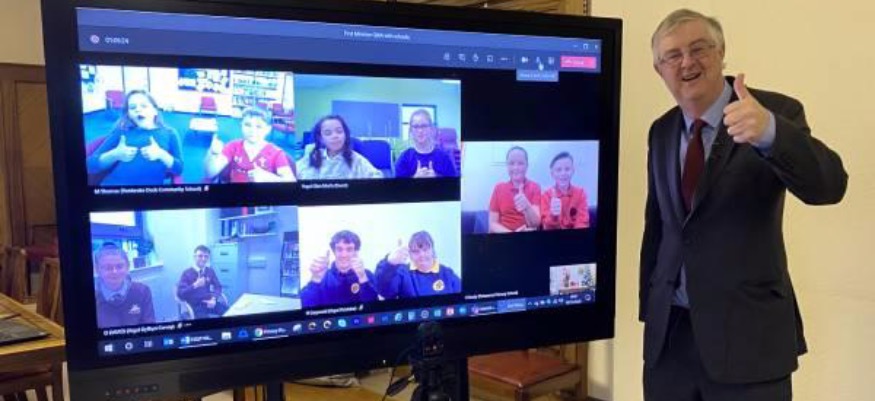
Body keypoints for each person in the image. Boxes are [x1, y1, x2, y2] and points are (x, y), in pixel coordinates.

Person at [640, 9, 847, 401]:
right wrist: (650, 312)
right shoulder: (662, 130)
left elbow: (829, 186)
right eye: (673, 55)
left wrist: (771, 134)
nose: (687, 62)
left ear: (721, 53)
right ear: (659, 69)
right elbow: (659, 226)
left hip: (749, 341)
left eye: (699, 48)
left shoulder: (773, 113)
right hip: (670, 342)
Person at [86, 89, 183, 186]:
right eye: (132, 107)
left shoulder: (170, 133)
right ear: (129, 115)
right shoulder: (122, 131)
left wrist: (162, 154)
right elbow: (90, 165)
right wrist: (115, 154)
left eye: (144, 106)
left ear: (155, 111)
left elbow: (178, 169)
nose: (138, 110)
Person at [205, 106, 296, 183]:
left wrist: (268, 178)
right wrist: (213, 154)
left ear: (268, 129)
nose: (252, 130)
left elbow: (290, 181)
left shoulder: (276, 153)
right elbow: (211, 173)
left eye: (259, 126)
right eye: (247, 125)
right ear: (241, 125)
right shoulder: (233, 146)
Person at [301, 230, 378, 308]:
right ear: (334, 251)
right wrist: (315, 279)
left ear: (356, 252)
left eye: (349, 249)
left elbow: (374, 308)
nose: (344, 255)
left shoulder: (366, 275)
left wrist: (362, 278)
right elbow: (307, 307)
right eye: (339, 249)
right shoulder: (322, 277)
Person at [375, 231, 461, 299]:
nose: (422, 255)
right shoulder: (402, 273)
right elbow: (385, 292)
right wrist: (390, 263)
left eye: (425, 249)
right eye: (416, 251)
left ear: (433, 251)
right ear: (410, 254)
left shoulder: (448, 274)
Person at [296, 115, 382, 180]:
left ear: (345, 135)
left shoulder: (356, 159)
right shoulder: (311, 158)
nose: (335, 136)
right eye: (328, 133)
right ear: (321, 139)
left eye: (339, 131)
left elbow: (377, 177)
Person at [94, 242, 155, 328]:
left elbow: (149, 327)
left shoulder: (143, 291)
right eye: (108, 268)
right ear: (97, 270)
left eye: (119, 266)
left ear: (127, 267)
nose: (114, 272)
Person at [488, 146, 541, 232]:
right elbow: (492, 224)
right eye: (511, 163)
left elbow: (536, 224)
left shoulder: (535, 187)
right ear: (507, 166)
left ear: (527, 166)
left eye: (520, 163)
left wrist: (527, 206)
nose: (515, 168)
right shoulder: (499, 188)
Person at [394, 109, 457, 178]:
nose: (420, 130)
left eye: (424, 126)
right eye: (416, 126)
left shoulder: (445, 157)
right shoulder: (404, 158)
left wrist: (436, 178)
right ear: (411, 130)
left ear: (431, 129)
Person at [540, 152, 590, 230]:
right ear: (552, 174)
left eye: (567, 169)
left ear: (573, 171)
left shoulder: (581, 193)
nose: (563, 173)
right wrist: (553, 215)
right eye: (558, 170)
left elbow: (582, 222)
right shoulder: (545, 196)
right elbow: (546, 227)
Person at [176, 245, 228, 319]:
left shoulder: (210, 271)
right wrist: (195, 285)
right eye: (200, 256)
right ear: (194, 257)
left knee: (230, 312)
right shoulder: (186, 273)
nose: (203, 259)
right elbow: (180, 294)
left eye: (206, 256)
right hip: (196, 305)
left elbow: (218, 286)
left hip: (210, 302)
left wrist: (214, 299)